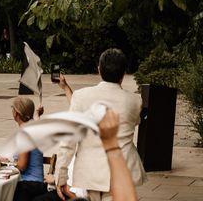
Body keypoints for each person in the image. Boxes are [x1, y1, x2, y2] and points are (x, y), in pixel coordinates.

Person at [55, 48, 146, 201]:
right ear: (123, 74)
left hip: (91, 174)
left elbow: (68, 141)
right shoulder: (135, 101)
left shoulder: (80, 97)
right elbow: (135, 121)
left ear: (99, 70)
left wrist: (61, 176)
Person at [11, 97, 47, 201]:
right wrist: (37, 115)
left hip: (28, 186)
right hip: (37, 182)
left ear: (16, 113)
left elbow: (22, 166)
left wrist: (6, 165)